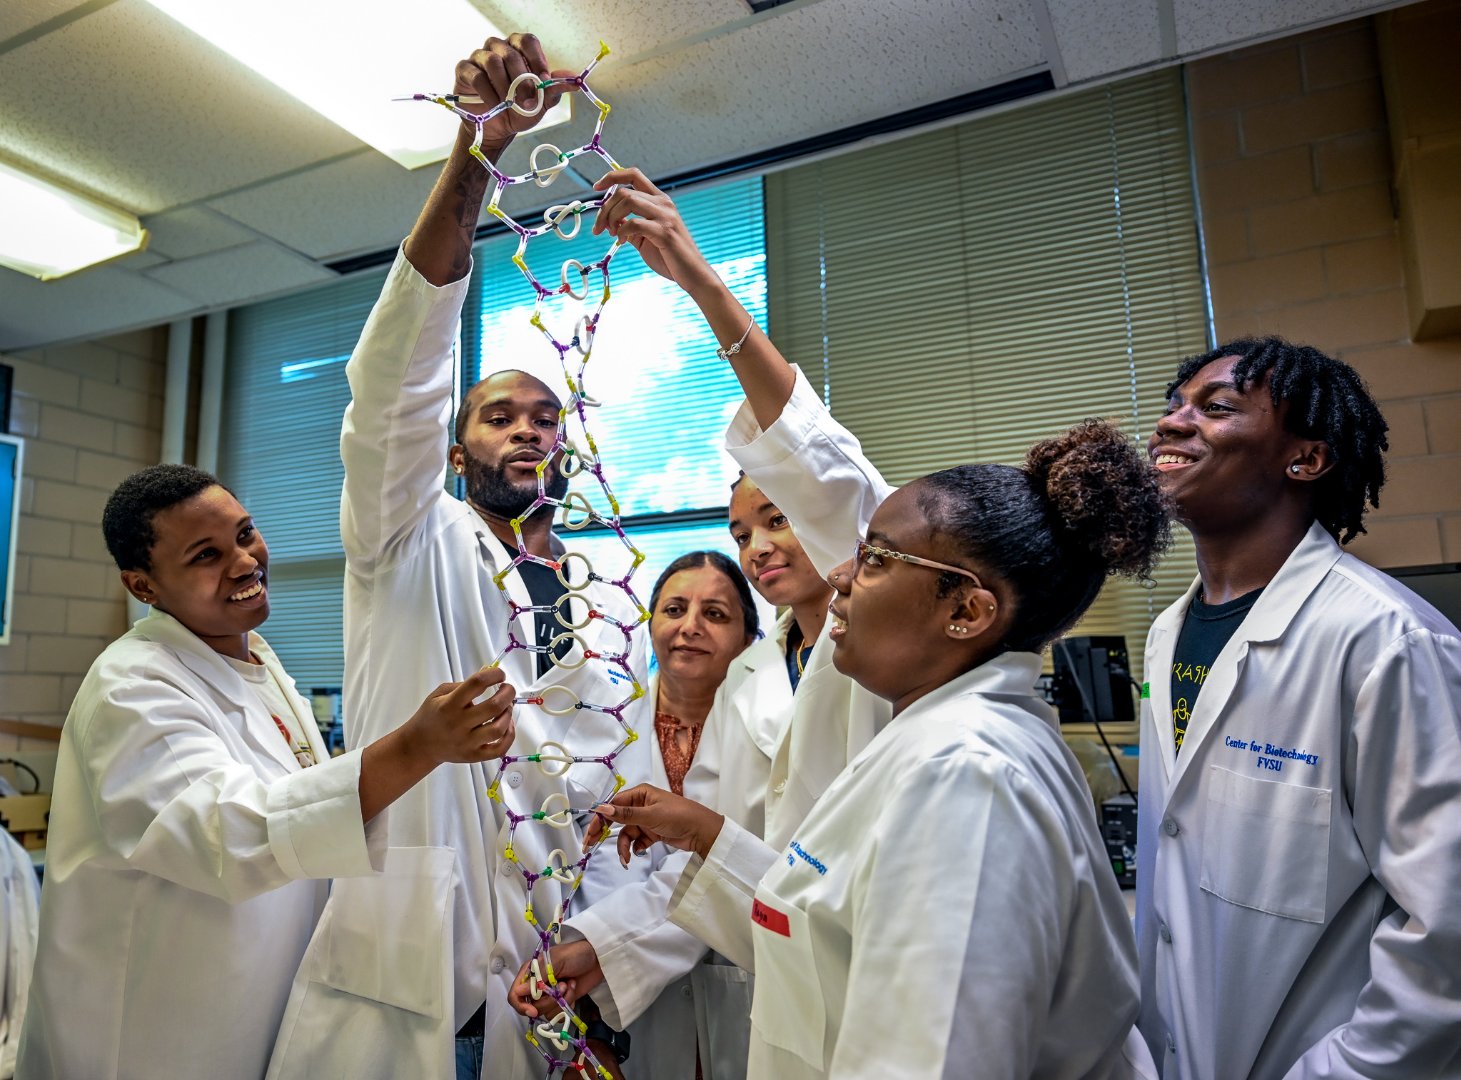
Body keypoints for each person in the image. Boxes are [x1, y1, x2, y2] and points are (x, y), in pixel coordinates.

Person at [266, 34, 651, 1080]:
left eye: (544, 419)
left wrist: (600, 942)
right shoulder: (405, 531)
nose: (527, 431)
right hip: (411, 973)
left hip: (541, 978)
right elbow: (397, 379)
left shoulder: (587, 591)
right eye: (498, 417)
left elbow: (594, 780)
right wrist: (477, 157)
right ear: (452, 446)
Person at [591, 419, 1170, 1079]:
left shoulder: (965, 775)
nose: (841, 574)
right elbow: (831, 935)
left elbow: (932, 1057)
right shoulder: (928, 740)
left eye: (873, 558)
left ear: (967, 612)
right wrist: (706, 835)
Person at [15, 464, 515, 1080]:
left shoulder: (256, 661)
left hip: (260, 1009)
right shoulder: (132, 687)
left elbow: (296, 797)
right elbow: (226, 833)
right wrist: (415, 748)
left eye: (246, 534)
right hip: (154, 1035)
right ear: (142, 586)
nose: (245, 562)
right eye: (206, 554)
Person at [1135, 338, 1461, 1078]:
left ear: (1304, 460)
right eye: (1172, 406)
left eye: (1214, 409)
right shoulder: (1166, 633)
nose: (1171, 424)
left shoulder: (1384, 639)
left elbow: (1448, 921)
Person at [512, 491, 833, 1079]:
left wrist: (603, 949)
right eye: (674, 609)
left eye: (715, 614)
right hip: (616, 1000)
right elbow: (561, 867)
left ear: (747, 637)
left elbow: (730, 859)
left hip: (745, 974)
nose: (689, 628)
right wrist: (583, 1010)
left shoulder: (775, 726)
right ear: (650, 623)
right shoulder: (594, 727)